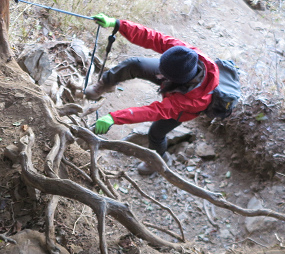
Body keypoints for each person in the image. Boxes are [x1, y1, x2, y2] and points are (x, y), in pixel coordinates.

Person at [85, 13, 219, 175]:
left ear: (176, 79)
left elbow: (153, 111)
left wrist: (113, 117)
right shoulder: (185, 54)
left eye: (163, 75)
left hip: (183, 111)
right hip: (175, 79)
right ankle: (105, 85)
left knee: (156, 133)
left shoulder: (191, 101)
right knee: (135, 64)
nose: (158, 75)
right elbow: (153, 37)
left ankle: (156, 161)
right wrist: (118, 24)